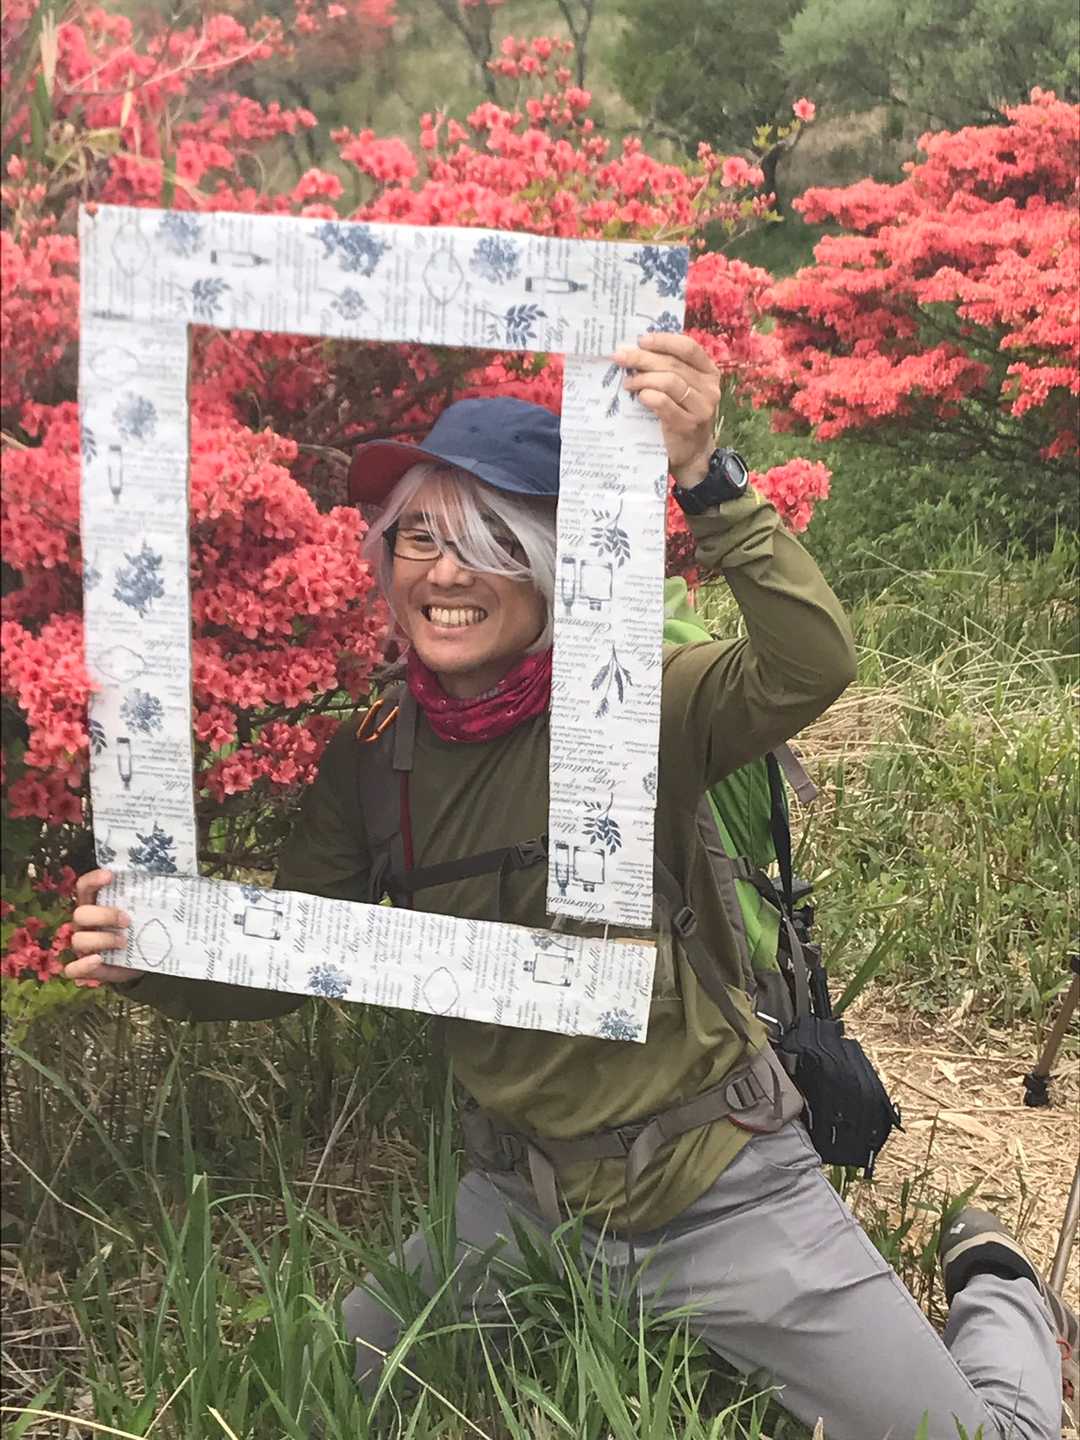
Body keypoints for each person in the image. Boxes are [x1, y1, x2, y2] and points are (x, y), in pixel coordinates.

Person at [68, 332, 1074, 1439]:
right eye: (417, 537)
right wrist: (147, 953)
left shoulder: (633, 704)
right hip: (520, 1202)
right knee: (303, 1400)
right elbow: (295, 954)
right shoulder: (372, 756)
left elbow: (810, 664)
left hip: (715, 1182)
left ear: (553, 562)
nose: (446, 573)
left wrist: (708, 478)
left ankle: (1002, 1286)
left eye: (490, 541)